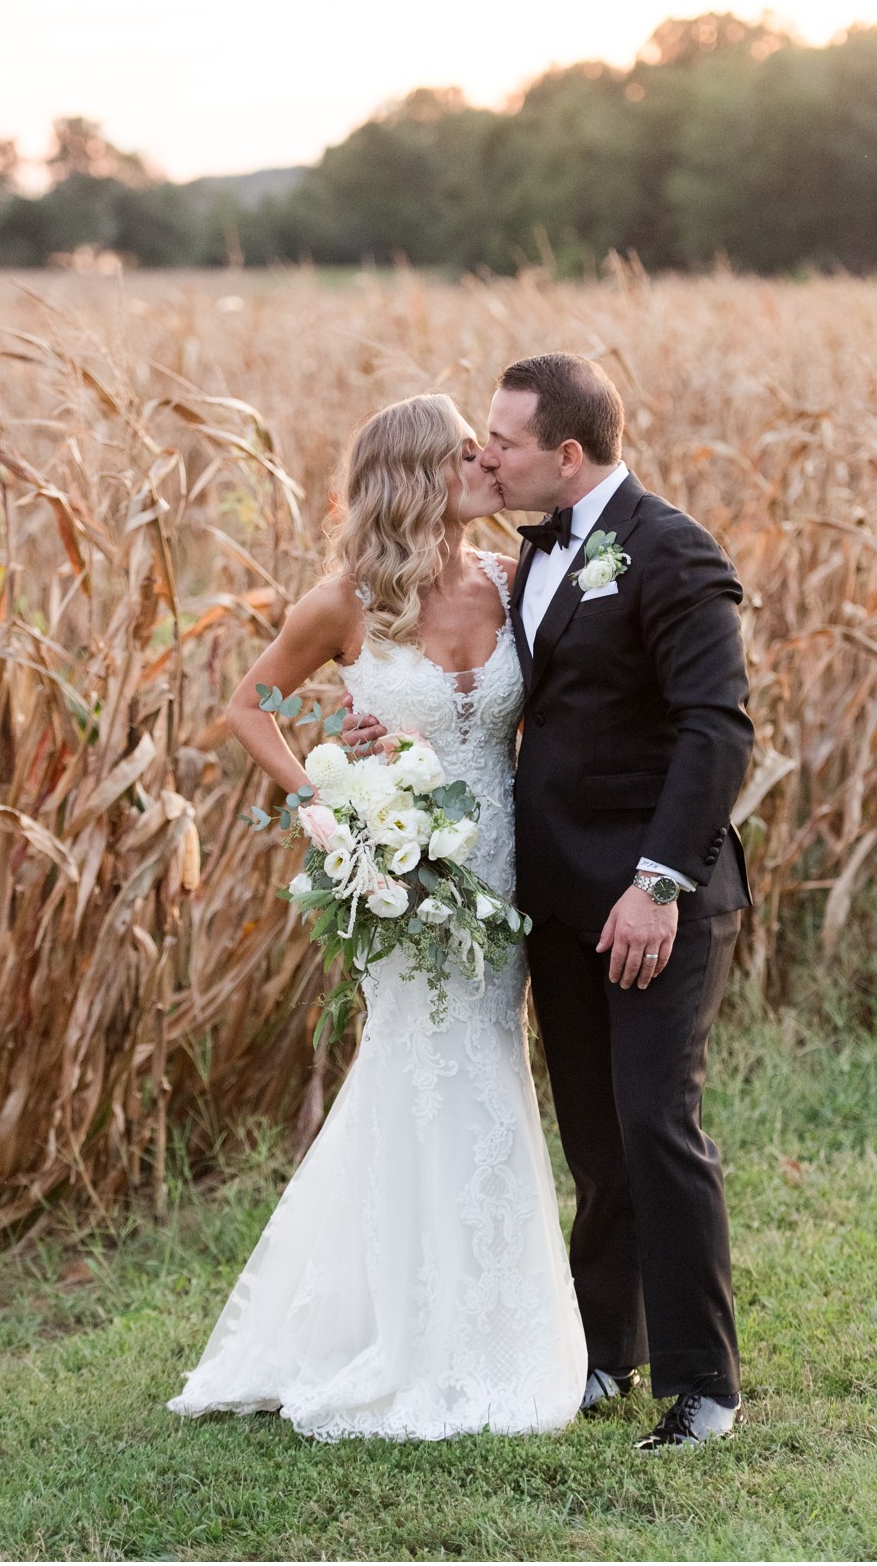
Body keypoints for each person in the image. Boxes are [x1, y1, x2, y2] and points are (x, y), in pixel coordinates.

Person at [346, 354, 754, 1451]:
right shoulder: (524, 558)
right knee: (595, 1137)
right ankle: (601, 1354)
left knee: (655, 1122)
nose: (482, 454)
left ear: (563, 454)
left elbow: (717, 730)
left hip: (652, 897)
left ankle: (701, 1383)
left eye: (502, 440)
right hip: (554, 898)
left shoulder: (670, 550)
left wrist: (655, 885)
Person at [168, 392, 587, 1441]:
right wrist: (319, 796)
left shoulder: (511, 579)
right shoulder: (345, 600)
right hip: (401, 880)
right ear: (415, 475)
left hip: (499, 866)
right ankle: (416, 1337)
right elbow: (249, 703)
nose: (487, 463)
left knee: (488, 1063)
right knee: (420, 1065)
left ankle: (489, 1316)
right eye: (465, 454)